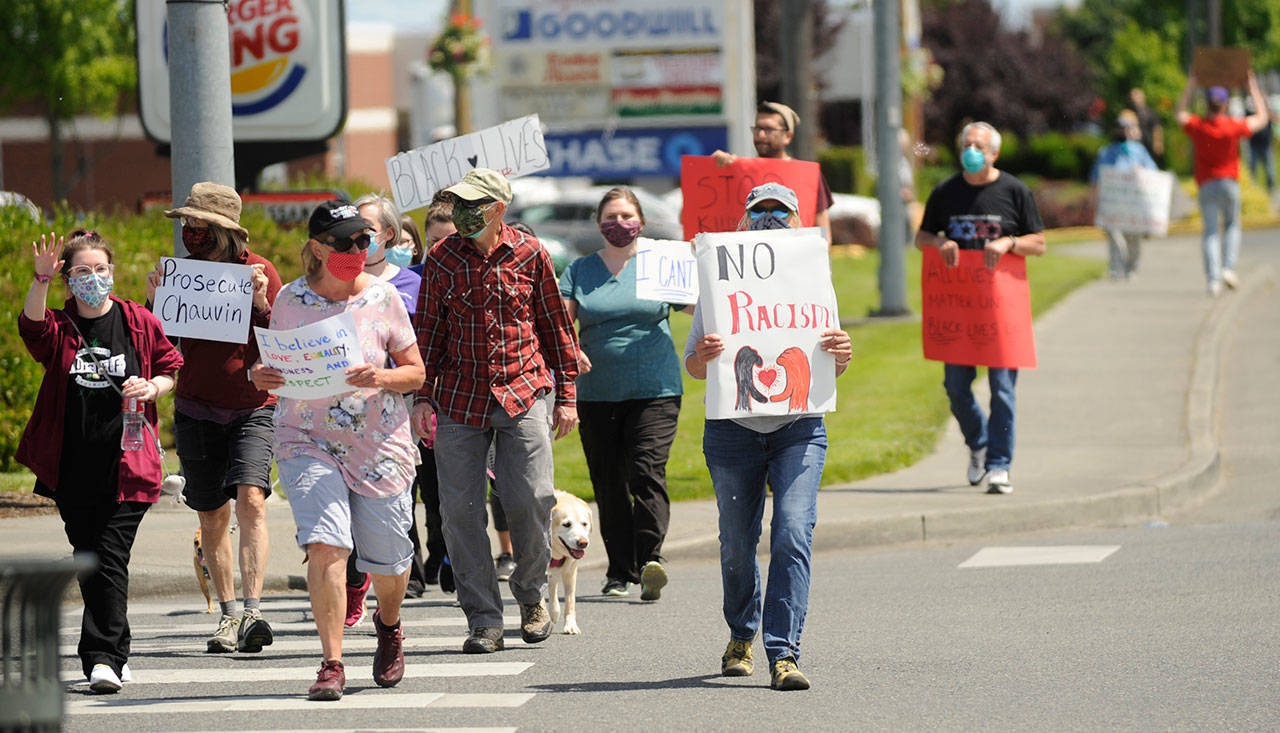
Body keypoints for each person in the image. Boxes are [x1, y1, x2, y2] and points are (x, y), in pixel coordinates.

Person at [250, 200, 424, 701]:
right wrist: (259, 374)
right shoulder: (290, 300)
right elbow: (271, 363)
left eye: (363, 240)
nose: (357, 249)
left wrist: (382, 377)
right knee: (326, 544)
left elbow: (415, 371)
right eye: (346, 242)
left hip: (378, 442)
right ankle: (332, 663)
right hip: (306, 438)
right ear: (319, 248)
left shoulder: (384, 297)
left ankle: (389, 624)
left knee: (388, 561)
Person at [684, 183, 852, 691]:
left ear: (799, 219)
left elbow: (830, 363)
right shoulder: (720, 282)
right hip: (733, 431)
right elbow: (692, 365)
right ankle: (741, 635)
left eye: (782, 210)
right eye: (760, 211)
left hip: (799, 429)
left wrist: (842, 354)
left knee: (793, 532)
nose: (771, 218)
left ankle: (784, 653)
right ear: (744, 220)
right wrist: (704, 356)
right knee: (737, 543)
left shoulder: (814, 278)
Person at [410, 168, 580, 654]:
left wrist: (568, 396)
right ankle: (484, 619)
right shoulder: (442, 258)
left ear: (498, 209)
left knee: (531, 499)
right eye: (459, 204)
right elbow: (429, 331)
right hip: (459, 398)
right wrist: (422, 395)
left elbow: (555, 327)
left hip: (524, 391)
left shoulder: (531, 253)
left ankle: (530, 594)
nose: (463, 212)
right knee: (459, 513)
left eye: (473, 204)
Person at [18, 229, 183, 693]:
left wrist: (152, 387)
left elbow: (170, 365)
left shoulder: (137, 320)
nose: (94, 278)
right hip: (72, 466)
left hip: (128, 464)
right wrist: (40, 279)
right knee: (91, 558)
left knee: (109, 554)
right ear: (68, 279)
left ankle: (102, 658)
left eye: (101, 269)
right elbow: (32, 328)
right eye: (83, 271)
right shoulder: (61, 326)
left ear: (113, 272)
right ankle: (117, 647)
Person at [150, 182, 282, 654]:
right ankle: (228, 614)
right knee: (211, 514)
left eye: (198, 224)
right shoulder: (181, 275)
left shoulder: (259, 271)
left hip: (253, 407)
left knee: (252, 500)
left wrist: (262, 305)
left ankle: (253, 609)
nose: (189, 231)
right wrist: (154, 304)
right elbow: (159, 345)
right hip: (195, 407)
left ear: (223, 230)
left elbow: (283, 343)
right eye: (186, 223)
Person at [559, 187, 683, 600]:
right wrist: (571, 348)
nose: (619, 224)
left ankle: (650, 561)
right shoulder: (580, 270)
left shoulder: (661, 262)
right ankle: (619, 571)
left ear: (641, 222)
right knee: (609, 482)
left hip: (655, 389)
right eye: (610, 217)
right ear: (599, 224)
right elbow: (562, 322)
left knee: (646, 471)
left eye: (627, 216)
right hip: (597, 393)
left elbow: (697, 307)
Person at [915, 121, 1046, 495]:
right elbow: (921, 236)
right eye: (966, 145)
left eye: (979, 146)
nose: (971, 151)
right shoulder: (945, 192)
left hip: (1000, 311)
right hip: (959, 310)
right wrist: (940, 242)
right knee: (956, 388)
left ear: (994, 153)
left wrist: (1009, 243)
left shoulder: (1014, 191)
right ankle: (979, 442)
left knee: (1002, 390)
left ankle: (1000, 464)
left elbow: (1039, 243)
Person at [341, 194, 424, 623]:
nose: (358, 236)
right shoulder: (333, 282)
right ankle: (354, 582)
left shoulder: (410, 284)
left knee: (388, 506)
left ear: (389, 234)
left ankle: (389, 598)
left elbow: (423, 352)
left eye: (368, 229)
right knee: (342, 507)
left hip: (396, 410)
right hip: (340, 413)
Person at [1175, 72, 1270, 296]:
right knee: (1232, 226)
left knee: (1210, 232)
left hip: (1206, 185)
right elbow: (1262, 118)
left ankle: (1213, 280)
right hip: (1229, 183)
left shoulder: (1198, 126)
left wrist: (1190, 84)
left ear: (1207, 104)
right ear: (1225, 105)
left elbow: (1179, 114)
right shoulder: (1232, 126)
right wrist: (1252, 87)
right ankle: (1228, 267)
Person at [712, 101, 835, 241]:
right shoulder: (736, 171)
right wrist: (716, 168)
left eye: (769, 129)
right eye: (757, 128)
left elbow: (824, 234)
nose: (761, 135)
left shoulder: (808, 175)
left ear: (788, 136)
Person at [1090, 110, 1159, 280]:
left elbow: (1153, 174)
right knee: (1114, 235)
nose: (1121, 131)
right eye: (1119, 128)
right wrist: (1094, 200)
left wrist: (1140, 171)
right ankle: (1115, 267)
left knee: (1133, 238)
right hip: (1113, 203)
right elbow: (1096, 178)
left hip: (1134, 203)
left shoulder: (1139, 151)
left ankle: (1131, 268)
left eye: (1125, 128)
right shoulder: (1106, 152)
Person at [1244, 95, 1275, 194]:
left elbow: (1275, 118)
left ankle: (1272, 190)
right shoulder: (1251, 113)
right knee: (1252, 169)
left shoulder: (1267, 113)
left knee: (1270, 170)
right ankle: (1252, 189)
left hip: (1266, 145)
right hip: (1254, 146)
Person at [1129, 87, 1166, 167]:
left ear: (1143, 97)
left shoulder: (1151, 112)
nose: (1135, 98)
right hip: (1134, 144)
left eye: (1137, 95)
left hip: (1148, 143)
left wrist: (1158, 142)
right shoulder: (1130, 112)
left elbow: (1157, 128)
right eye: (1133, 96)